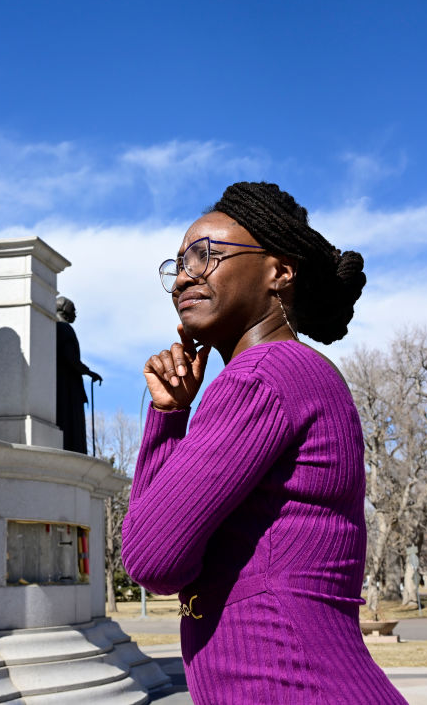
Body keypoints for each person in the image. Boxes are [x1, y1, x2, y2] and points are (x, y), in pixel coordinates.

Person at [121, 182, 405, 704]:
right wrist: (169, 414)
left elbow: (151, 561)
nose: (186, 274)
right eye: (179, 262)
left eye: (207, 254)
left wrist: (168, 421)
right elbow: (167, 558)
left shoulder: (263, 376)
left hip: (296, 684)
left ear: (280, 271)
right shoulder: (292, 373)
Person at [55, 296, 102, 454]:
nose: (75, 313)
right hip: (68, 386)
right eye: (73, 309)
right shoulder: (64, 328)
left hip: (63, 383)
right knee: (71, 421)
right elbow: (70, 358)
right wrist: (89, 372)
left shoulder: (56, 327)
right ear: (65, 309)